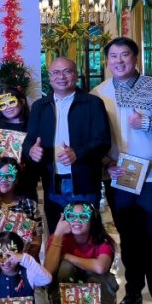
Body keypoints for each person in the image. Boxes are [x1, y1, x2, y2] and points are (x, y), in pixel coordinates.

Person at [94, 37, 152, 304]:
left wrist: (148, 122)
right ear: (106, 61)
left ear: (136, 58)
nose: (119, 61)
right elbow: (96, 137)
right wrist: (106, 163)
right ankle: (132, 290)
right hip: (119, 175)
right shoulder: (99, 93)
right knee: (128, 236)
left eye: (125, 55)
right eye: (113, 56)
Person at [25, 57, 111, 232]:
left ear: (76, 75)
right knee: (57, 236)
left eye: (67, 71)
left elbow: (103, 140)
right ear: (49, 77)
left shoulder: (92, 103)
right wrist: (30, 150)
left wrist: (78, 153)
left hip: (83, 181)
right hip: (52, 182)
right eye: (56, 72)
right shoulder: (40, 106)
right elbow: (28, 141)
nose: (61, 76)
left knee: (87, 235)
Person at [43, 203, 118, 304]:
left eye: (83, 217)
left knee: (98, 276)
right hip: (67, 282)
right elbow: (47, 271)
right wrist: (58, 233)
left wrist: (67, 256)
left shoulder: (102, 240)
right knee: (65, 268)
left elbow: (100, 268)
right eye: (71, 216)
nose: (76, 221)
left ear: (92, 220)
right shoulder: (58, 237)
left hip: (94, 284)